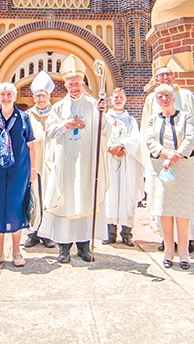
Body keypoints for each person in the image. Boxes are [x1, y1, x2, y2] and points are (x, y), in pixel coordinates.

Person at [40, 54, 108, 264]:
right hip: (66, 163)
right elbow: (49, 131)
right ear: (66, 85)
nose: (74, 87)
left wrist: (104, 114)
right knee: (66, 201)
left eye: (77, 83)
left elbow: (105, 130)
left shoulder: (93, 104)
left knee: (85, 200)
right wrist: (66, 125)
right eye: (71, 84)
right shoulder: (59, 107)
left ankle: (84, 246)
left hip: (86, 162)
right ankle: (63, 248)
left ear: (83, 83)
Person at [140, 66, 194, 253]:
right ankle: (166, 239)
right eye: (160, 75)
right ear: (155, 78)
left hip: (184, 159)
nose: (164, 77)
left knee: (185, 199)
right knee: (162, 199)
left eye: (167, 74)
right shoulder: (151, 99)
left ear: (174, 76)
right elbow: (148, 132)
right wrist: (162, 153)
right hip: (161, 161)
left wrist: (179, 153)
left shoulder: (186, 96)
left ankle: (187, 240)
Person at [0, 83, 36, 267]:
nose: (5, 97)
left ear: (14, 96)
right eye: (2, 94)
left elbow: (30, 145)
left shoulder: (23, 118)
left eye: (9, 94)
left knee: (16, 208)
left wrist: (33, 170)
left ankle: (16, 251)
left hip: (18, 171)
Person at [144, 83, 194, 269]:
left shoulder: (185, 116)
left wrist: (176, 155)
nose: (164, 99)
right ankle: (168, 251)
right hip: (161, 167)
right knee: (164, 210)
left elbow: (190, 137)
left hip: (182, 165)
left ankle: (183, 252)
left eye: (167, 95)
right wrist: (165, 154)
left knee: (182, 211)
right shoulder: (153, 120)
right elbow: (150, 140)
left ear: (173, 98)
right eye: (160, 96)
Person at [103, 88, 144, 247]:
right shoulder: (105, 118)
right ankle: (110, 234)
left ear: (125, 99)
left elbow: (136, 138)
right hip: (109, 161)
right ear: (111, 100)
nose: (118, 100)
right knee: (110, 195)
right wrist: (109, 147)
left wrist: (122, 147)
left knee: (127, 195)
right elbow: (101, 135)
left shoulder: (131, 120)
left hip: (126, 161)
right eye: (115, 97)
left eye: (121, 97)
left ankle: (126, 233)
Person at [23, 71, 57, 249]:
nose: (41, 98)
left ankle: (48, 233)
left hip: (52, 161)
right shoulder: (27, 116)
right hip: (32, 162)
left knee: (49, 196)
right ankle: (32, 232)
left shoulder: (57, 114)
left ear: (49, 96)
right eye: (37, 95)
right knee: (33, 195)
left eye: (44, 95)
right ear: (33, 97)